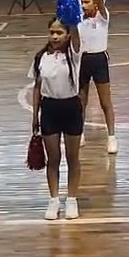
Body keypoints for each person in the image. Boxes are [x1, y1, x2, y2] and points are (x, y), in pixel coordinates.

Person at [30, 17, 83, 220]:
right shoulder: (40, 57)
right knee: (53, 159)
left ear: (68, 35)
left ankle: (72, 199)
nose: (54, 36)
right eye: (51, 32)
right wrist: (35, 116)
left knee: (72, 158)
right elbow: (37, 88)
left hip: (71, 108)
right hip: (50, 109)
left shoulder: (74, 54)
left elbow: (77, 36)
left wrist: (71, 15)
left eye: (59, 33)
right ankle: (53, 200)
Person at [77, 0, 116, 155]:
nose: (83, 5)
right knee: (80, 101)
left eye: (87, 2)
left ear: (95, 3)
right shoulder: (78, 18)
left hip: (99, 60)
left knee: (105, 102)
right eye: (82, 2)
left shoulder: (103, 16)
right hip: (83, 60)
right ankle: (79, 133)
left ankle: (112, 137)